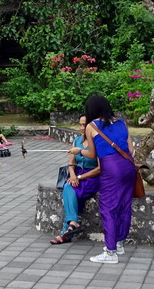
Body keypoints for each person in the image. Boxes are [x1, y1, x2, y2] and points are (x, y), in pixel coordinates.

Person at [70, 94, 137, 264]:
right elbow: (130, 148)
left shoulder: (92, 126)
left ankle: (110, 252)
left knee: (108, 207)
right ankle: (119, 243)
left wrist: (78, 151)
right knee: (124, 205)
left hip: (111, 168)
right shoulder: (121, 122)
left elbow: (91, 154)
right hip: (128, 166)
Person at [51, 116, 101, 245]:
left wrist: (79, 177)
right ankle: (72, 224)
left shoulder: (98, 142)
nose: (82, 128)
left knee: (72, 193)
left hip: (92, 176)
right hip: (77, 174)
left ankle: (65, 232)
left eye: (85, 125)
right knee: (69, 186)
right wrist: (73, 175)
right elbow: (71, 162)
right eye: (80, 125)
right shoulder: (77, 140)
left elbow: (100, 168)